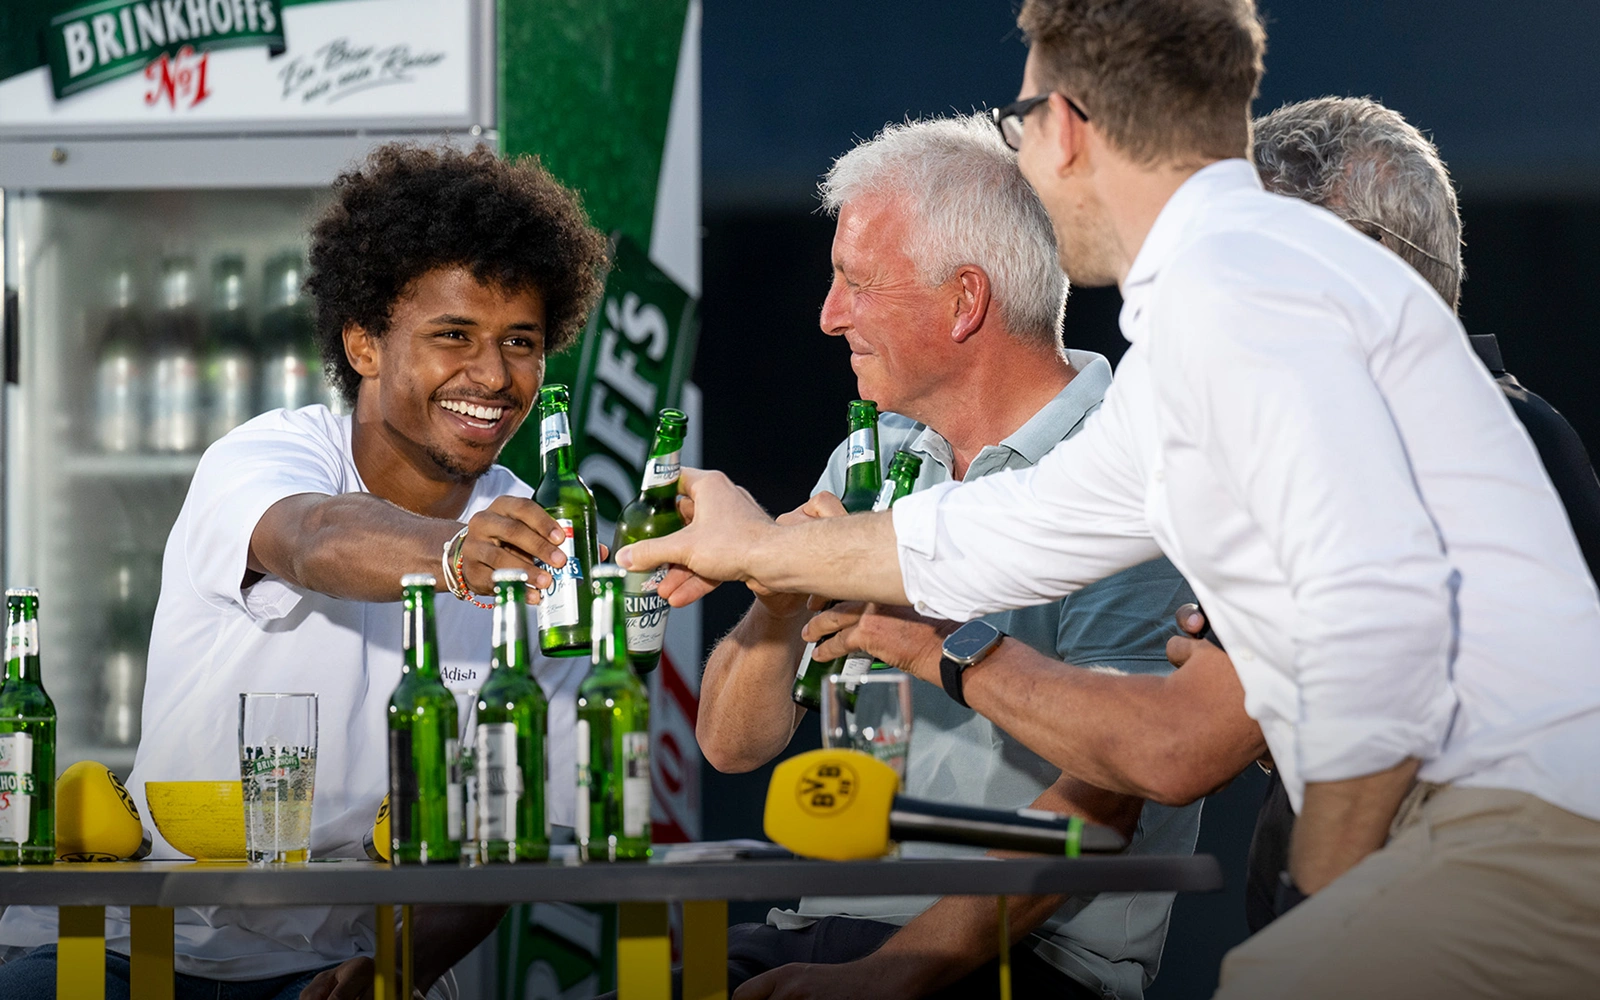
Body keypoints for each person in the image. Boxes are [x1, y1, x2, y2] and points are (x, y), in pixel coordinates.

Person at [619, 1, 1600, 996]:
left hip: (1507, 835)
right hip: (1493, 835)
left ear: (1069, 125)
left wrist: (1323, 893)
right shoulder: (1216, 300)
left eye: (1018, 126)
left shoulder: (1236, 285)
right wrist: (756, 552)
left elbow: (1373, 627)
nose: (1025, 167)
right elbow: (1000, 536)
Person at [0, 143, 609, 1000]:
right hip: (135, 946)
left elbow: (511, 833)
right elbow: (313, 538)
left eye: (522, 342)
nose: (493, 376)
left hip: (350, 965)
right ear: (363, 343)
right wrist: (448, 558)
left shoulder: (547, 538)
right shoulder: (270, 453)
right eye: (453, 336)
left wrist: (392, 975)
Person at [697, 115, 1198, 1000]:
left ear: (966, 301)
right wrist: (778, 594)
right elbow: (731, 747)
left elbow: (1113, 792)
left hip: (1023, 965)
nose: (827, 316)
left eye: (856, 283)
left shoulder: (1130, 470)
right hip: (818, 931)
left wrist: (889, 976)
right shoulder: (869, 457)